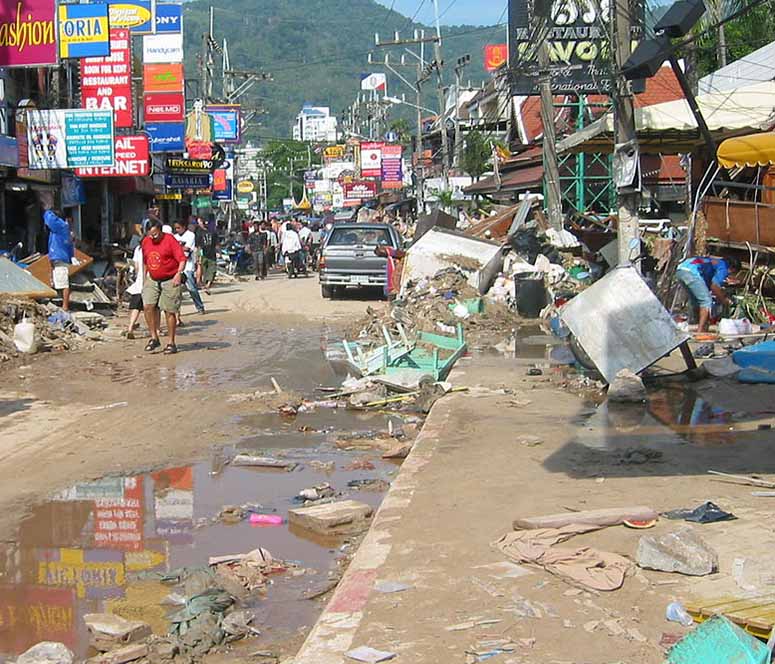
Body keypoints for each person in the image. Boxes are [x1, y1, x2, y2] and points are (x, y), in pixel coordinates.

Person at [141, 220, 186, 354]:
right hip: (153, 278)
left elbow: (182, 259)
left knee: (169, 310)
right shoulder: (146, 241)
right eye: (151, 234)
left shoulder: (170, 240)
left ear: (160, 231)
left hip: (170, 278)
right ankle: (154, 337)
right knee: (147, 306)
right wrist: (143, 278)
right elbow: (145, 260)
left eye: (155, 234)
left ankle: (171, 342)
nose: (153, 237)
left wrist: (179, 274)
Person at [676, 255, 741, 333]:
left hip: (681, 270)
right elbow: (714, 286)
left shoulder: (712, 262)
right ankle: (700, 332)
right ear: (732, 269)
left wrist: (718, 295)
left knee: (695, 301)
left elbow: (708, 286)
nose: (727, 275)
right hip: (692, 272)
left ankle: (693, 326)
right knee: (706, 301)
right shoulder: (723, 266)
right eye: (732, 273)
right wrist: (724, 300)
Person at [43, 207, 75, 311]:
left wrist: (46, 209)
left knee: (63, 283)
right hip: (57, 257)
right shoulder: (62, 229)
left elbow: (50, 219)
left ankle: (65, 306)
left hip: (59, 257)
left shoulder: (61, 226)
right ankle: (63, 304)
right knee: (58, 282)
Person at [173, 220, 205, 320]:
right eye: (176, 228)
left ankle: (200, 307)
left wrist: (178, 248)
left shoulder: (190, 235)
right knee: (176, 292)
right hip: (177, 266)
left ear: (184, 227)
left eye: (178, 228)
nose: (177, 230)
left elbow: (187, 249)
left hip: (188, 265)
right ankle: (177, 314)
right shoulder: (175, 237)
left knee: (191, 288)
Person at [125, 237, 145, 339]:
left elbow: (136, 266)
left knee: (136, 307)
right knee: (153, 308)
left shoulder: (138, 249)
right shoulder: (151, 249)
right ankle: (157, 330)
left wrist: (137, 276)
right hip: (150, 283)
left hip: (139, 283)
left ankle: (130, 327)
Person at [195, 217, 217, 293]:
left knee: (211, 270)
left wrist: (218, 252)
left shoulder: (212, 232)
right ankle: (204, 284)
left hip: (211, 254)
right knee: (205, 270)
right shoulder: (199, 232)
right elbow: (198, 246)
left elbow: (216, 243)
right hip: (204, 254)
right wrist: (198, 255)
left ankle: (207, 285)